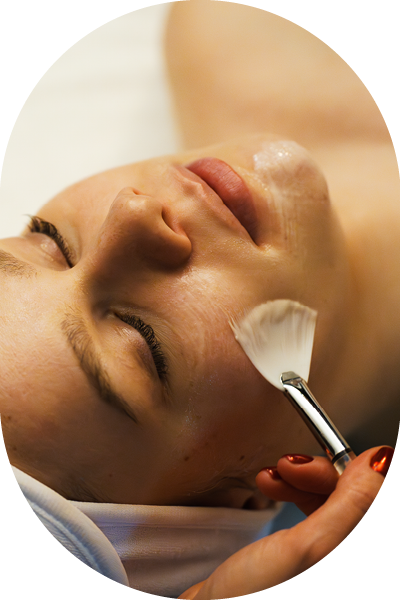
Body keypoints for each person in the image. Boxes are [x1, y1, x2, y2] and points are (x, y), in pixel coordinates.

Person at [0, 1, 398, 597]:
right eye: (145, 341)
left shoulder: (239, 24)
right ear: (249, 493)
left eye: (50, 242)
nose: (132, 213)